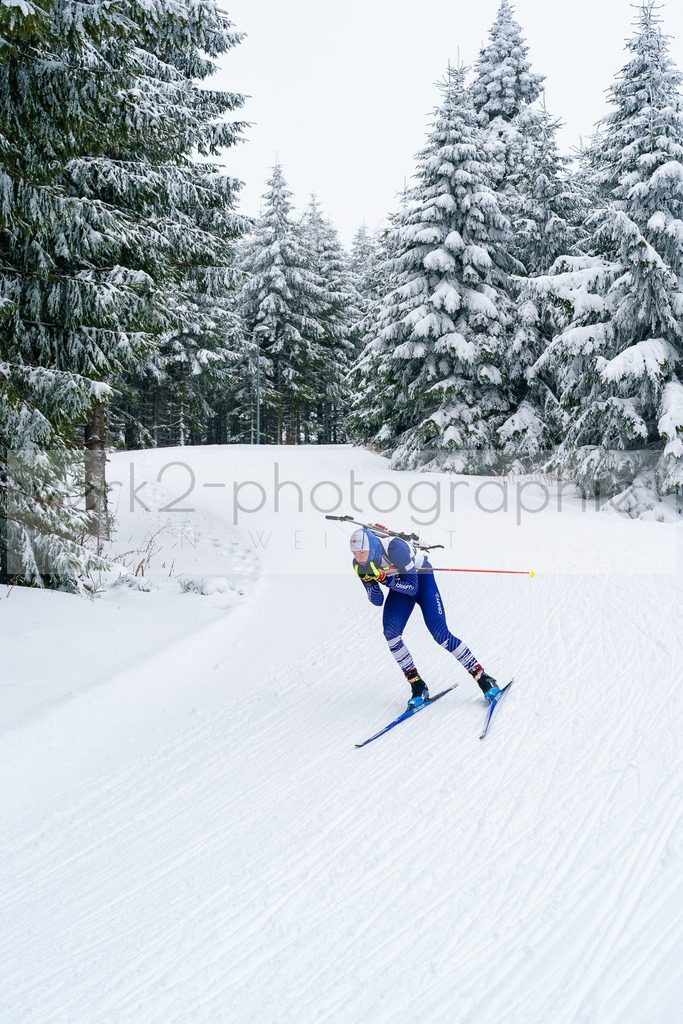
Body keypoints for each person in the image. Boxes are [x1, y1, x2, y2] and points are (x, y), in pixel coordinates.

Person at [350, 527, 500, 711]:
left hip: (421, 581)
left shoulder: (395, 548)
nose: (359, 557)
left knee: (440, 634)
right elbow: (378, 601)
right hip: (399, 588)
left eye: (362, 552)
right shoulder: (359, 564)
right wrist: (371, 584)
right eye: (355, 553)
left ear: (371, 548)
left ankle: (483, 677)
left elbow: (412, 588)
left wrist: (385, 580)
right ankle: (417, 686)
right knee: (391, 633)